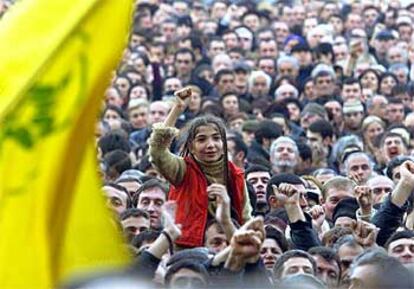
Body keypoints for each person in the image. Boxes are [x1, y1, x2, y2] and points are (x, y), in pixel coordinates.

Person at [149, 88, 252, 247]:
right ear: (191, 145)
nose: (210, 145)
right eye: (202, 140)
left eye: (216, 138)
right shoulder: (183, 169)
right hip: (187, 249)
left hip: (227, 247)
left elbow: (245, 218)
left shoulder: (235, 174)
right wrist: (177, 109)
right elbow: (157, 152)